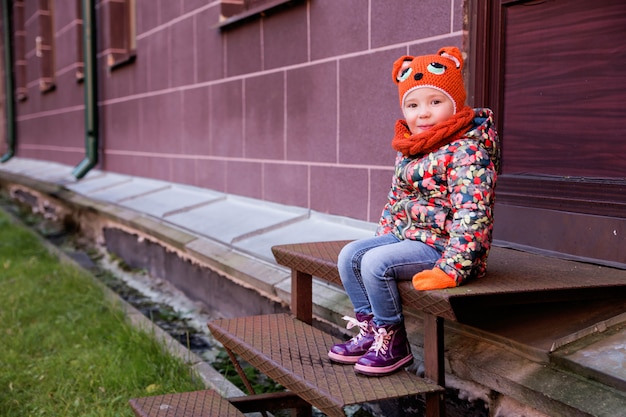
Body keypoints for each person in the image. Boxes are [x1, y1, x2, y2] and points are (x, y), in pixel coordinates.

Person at [327, 46, 500, 376]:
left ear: (455, 103)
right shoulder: (411, 148)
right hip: (409, 237)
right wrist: (384, 238)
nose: (423, 113)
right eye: (413, 104)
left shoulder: (467, 150)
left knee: (376, 264)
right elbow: (395, 201)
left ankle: (394, 341)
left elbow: (473, 214)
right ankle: (371, 330)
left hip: (445, 248)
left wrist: (452, 267)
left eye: (435, 102)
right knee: (351, 256)